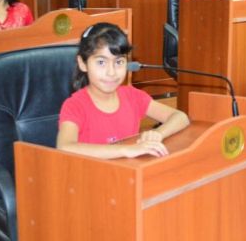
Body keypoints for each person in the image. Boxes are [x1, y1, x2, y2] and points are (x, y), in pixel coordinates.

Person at [57, 23, 190, 159]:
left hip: (128, 173)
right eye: (101, 62)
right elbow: (65, 147)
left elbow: (181, 117)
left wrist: (159, 133)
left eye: (119, 62)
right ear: (82, 64)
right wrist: (124, 150)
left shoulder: (133, 96)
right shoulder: (75, 105)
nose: (111, 72)